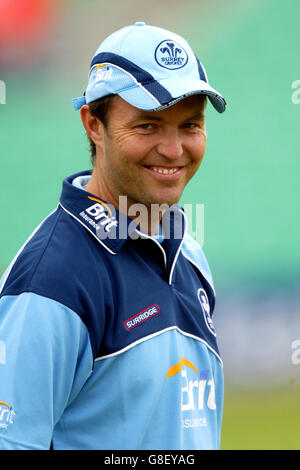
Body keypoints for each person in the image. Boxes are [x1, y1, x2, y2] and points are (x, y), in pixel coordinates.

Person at [0, 22, 226, 450]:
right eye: (147, 126)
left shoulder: (190, 257)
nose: (174, 149)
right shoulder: (51, 281)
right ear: (93, 124)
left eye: (190, 125)